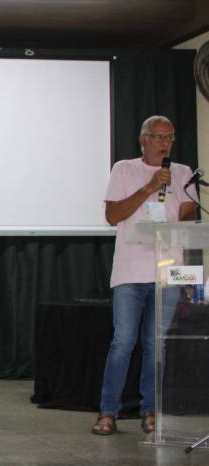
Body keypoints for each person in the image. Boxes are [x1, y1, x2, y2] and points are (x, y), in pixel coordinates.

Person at [92, 115, 196, 436]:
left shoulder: (183, 173)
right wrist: (150, 187)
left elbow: (188, 216)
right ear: (143, 139)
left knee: (156, 345)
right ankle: (108, 411)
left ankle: (150, 410)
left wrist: (173, 227)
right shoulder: (124, 169)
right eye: (158, 136)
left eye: (169, 137)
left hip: (167, 270)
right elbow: (113, 215)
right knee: (123, 342)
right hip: (130, 271)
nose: (165, 142)